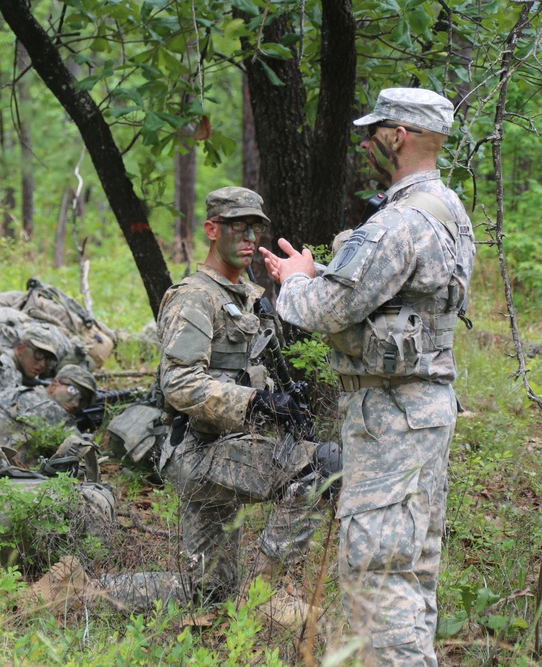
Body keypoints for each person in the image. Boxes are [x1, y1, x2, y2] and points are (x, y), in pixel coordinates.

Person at [260, 88, 475, 665]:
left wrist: (299, 280)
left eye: (374, 130)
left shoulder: (399, 223)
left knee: (377, 573)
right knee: (410, 568)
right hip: (422, 413)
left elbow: (324, 311)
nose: (364, 141)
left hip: (391, 419)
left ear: (398, 136)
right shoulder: (449, 211)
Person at [152, 186, 329, 616]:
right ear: (212, 230)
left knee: (207, 593)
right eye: (238, 227)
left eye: (256, 228)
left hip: (232, 444)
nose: (249, 237)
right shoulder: (196, 296)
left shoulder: (250, 297)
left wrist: (284, 405)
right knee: (322, 467)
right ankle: (260, 599)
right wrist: (259, 404)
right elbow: (179, 383)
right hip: (196, 451)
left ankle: (90, 587)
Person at [0, 324, 61, 397]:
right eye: (39, 355)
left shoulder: (23, 369)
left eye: (48, 360)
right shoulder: (4, 368)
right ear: (20, 349)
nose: (43, 364)